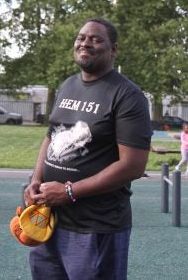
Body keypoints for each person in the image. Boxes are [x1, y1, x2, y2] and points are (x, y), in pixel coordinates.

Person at [24, 18, 152, 280]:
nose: (86, 43)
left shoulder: (127, 96)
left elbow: (133, 166)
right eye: (81, 37)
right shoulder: (68, 85)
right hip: (49, 218)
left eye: (96, 39)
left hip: (95, 226)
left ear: (113, 49)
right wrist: (35, 180)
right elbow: (51, 136)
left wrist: (69, 191)